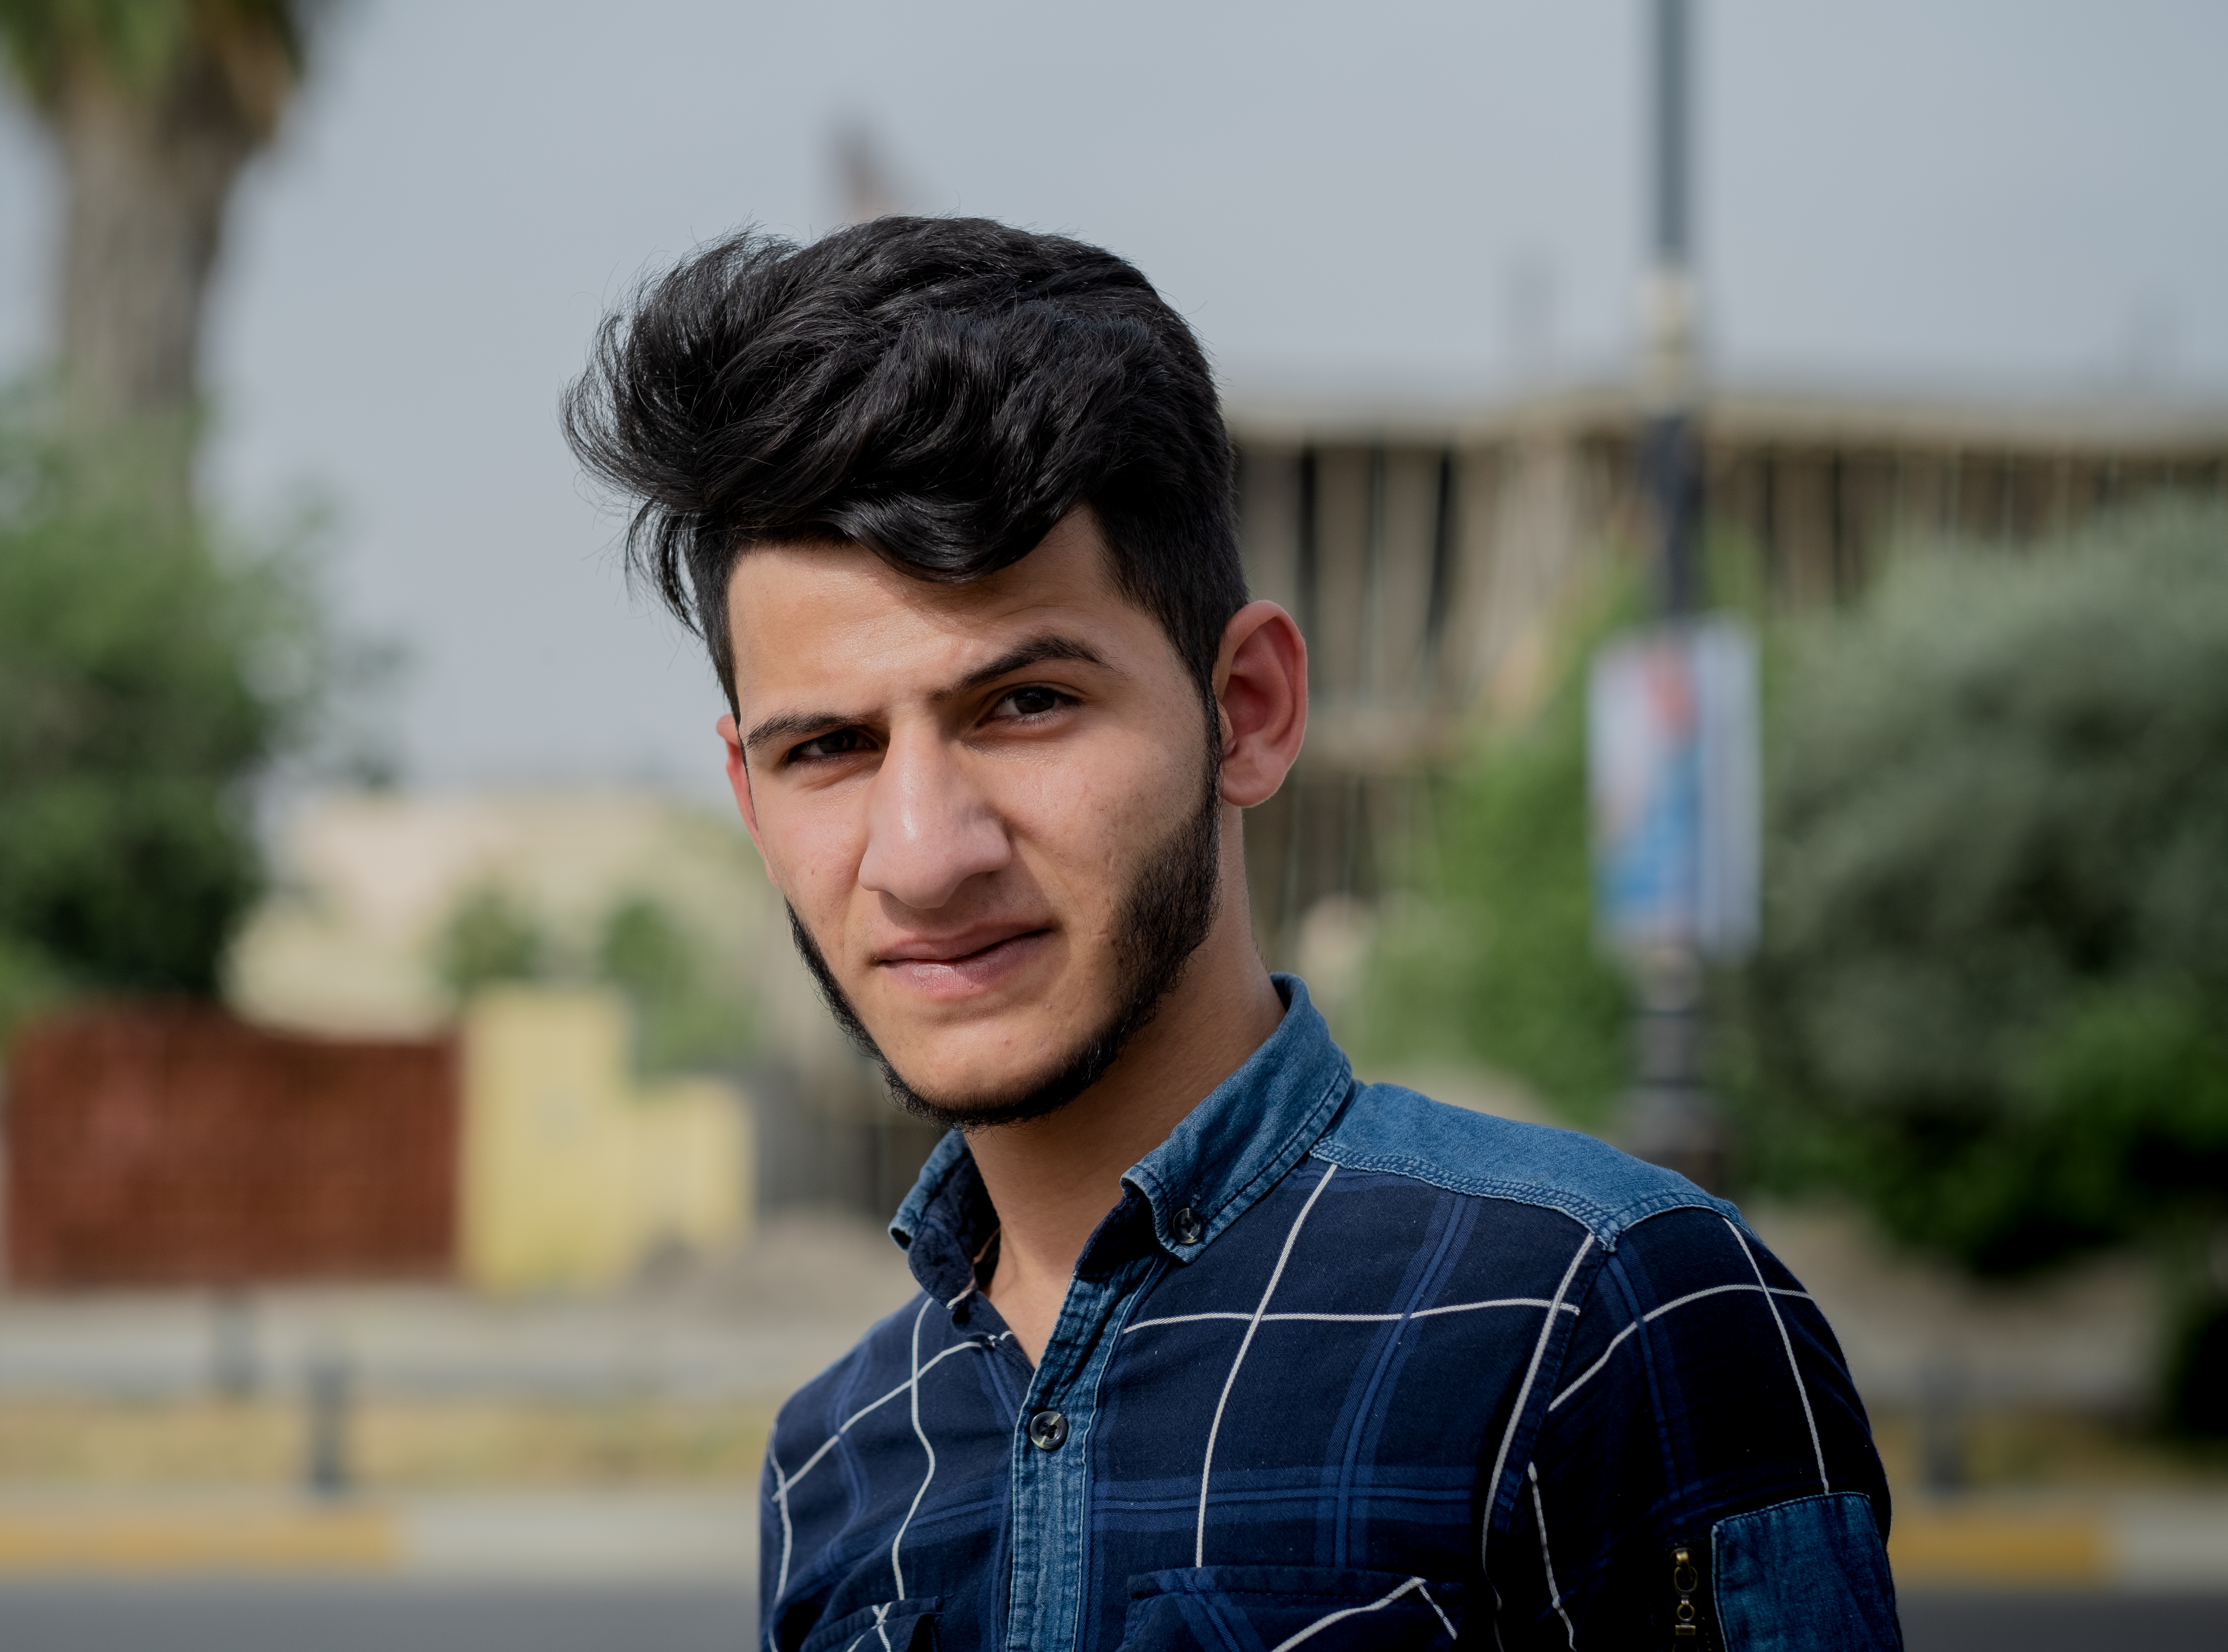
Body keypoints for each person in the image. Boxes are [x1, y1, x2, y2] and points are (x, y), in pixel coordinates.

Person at [566, 217, 1899, 1652]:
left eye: (1025, 705)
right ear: (750, 799)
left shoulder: (1605, 1317)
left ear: (1248, 710)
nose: (924, 854)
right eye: (827, 746)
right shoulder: (836, 1460)